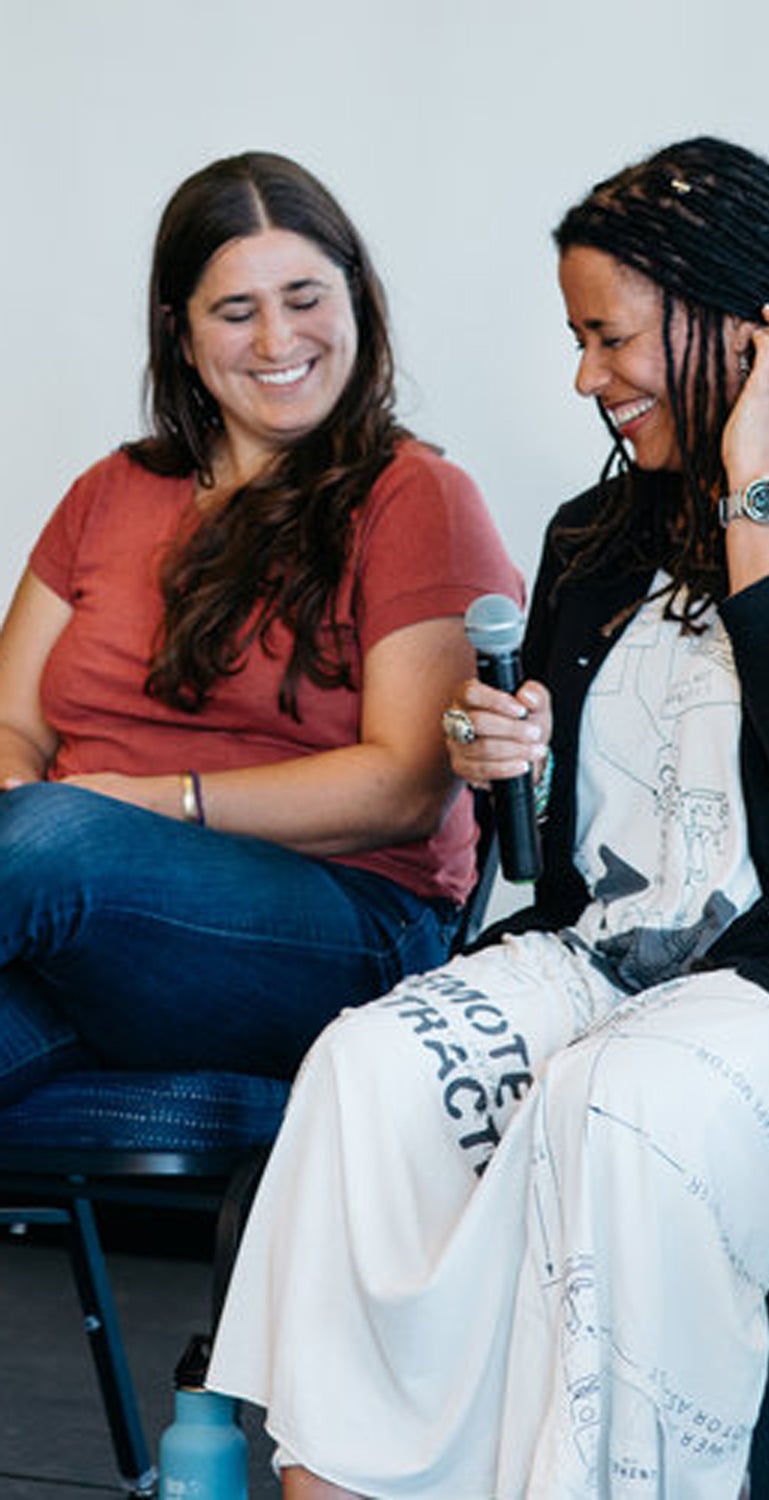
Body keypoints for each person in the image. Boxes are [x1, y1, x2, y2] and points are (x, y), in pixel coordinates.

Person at [207, 135, 769, 1499]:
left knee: (620, 1102)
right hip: (612, 959)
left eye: (611, 337)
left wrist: (753, 477)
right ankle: (342, 1483)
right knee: (369, 1070)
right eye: (578, 340)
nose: (588, 377)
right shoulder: (597, 537)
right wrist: (509, 758)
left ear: (741, 320)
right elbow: (558, 847)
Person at [0, 151, 522, 1104]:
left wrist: (127, 806)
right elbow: (15, 724)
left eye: (305, 297)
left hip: (337, 924)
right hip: (70, 917)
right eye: (236, 312)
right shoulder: (109, 492)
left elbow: (405, 787)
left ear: (356, 299)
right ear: (182, 334)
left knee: (48, 839)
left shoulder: (418, 498)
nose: (278, 337)